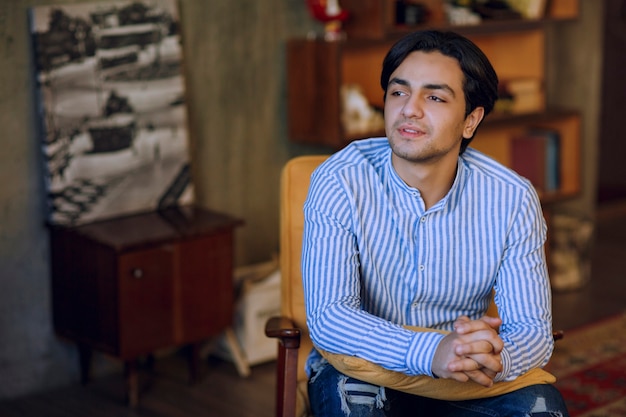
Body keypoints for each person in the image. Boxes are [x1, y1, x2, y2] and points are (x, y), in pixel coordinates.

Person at [301, 30, 569, 416]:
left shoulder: (512, 198)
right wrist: (431, 351)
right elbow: (330, 317)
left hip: (464, 376)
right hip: (366, 369)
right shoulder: (341, 179)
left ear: (470, 121)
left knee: (543, 409)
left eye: (435, 97)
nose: (410, 109)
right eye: (398, 92)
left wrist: (491, 356)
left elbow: (531, 330)